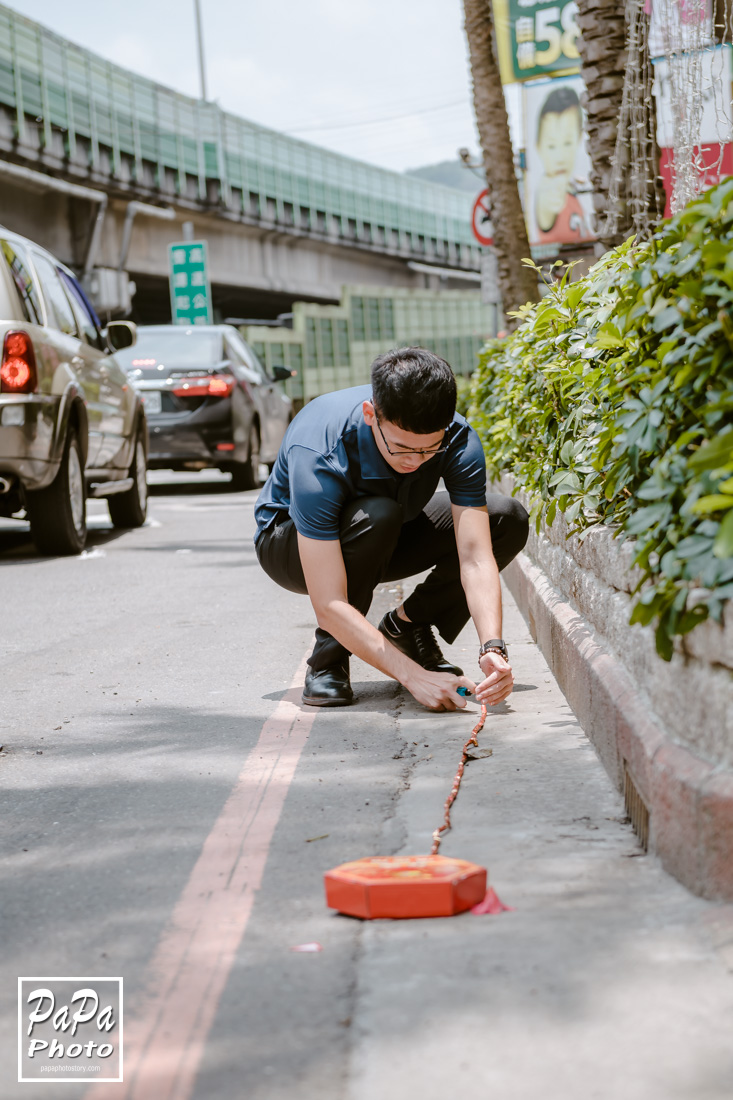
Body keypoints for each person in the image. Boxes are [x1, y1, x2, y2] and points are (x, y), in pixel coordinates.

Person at [254, 347, 529, 712]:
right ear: (371, 415)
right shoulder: (321, 445)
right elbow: (329, 602)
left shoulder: (458, 438)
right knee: (377, 514)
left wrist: (492, 646)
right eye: (401, 448)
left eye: (430, 450)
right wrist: (414, 677)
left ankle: (408, 626)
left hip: (390, 526)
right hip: (289, 545)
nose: (415, 462)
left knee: (506, 518)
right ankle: (328, 659)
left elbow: (476, 556)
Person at [533, 85, 594, 245]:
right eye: (551, 146)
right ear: (538, 146)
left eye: (567, 142)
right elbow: (548, 204)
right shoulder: (546, 193)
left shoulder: (572, 188)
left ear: (579, 138)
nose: (559, 157)